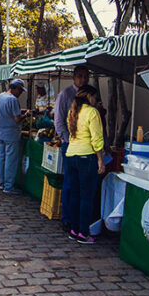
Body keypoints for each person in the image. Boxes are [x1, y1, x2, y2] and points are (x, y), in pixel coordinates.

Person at [64, 85, 105, 244]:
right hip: (87, 157)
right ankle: (83, 233)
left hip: (71, 155)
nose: (95, 100)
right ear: (88, 96)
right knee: (86, 197)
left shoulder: (73, 111)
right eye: (94, 97)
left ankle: (74, 230)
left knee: (75, 195)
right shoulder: (92, 112)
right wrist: (100, 159)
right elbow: (97, 138)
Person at [54, 65, 89, 234]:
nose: (83, 80)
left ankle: (78, 219)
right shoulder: (65, 94)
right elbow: (59, 120)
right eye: (80, 76)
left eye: (85, 77)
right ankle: (67, 218)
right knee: (70, 182)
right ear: (74, 77)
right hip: (70, 145)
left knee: (81, 186)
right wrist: (66, 139)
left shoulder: (89, 94)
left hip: (86, 146)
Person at [0, 79, 31, 194]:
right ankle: (8, 186)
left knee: (2, 158)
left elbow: (8, 111)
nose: (20, 93)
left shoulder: (1, 96)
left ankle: (2, 182)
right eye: (20, 90)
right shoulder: (13, 100)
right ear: (15, 88)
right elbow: (16, 118)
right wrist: (25, 114)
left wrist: (21, 110)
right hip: (11, 133)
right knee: (10, 160)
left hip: (1, 132)